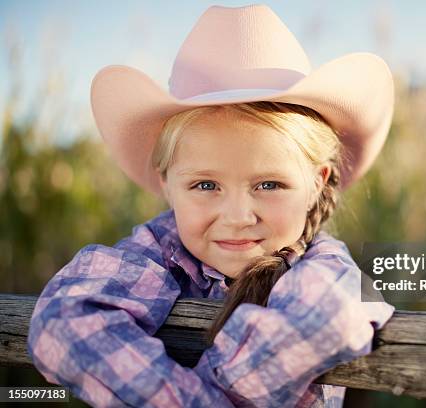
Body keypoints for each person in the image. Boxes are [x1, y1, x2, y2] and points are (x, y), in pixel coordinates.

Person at [27, 4, 395, 407]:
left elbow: (327, 316)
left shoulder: (326, 271)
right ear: (168, 184)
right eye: (206, 185)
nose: (238, 217)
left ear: (315, 184)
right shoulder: (159, 250)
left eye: (269, 184)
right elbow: (63, 321)